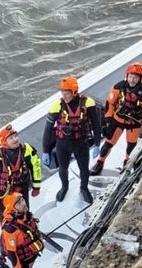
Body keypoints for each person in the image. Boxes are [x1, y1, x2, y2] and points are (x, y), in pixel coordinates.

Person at [42, 76, 102, 204]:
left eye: (66, 92)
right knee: (63, 168)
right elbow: (47, 130)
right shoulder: (56, 106)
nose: (63, 95)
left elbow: (96, 124)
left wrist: (97, 143)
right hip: (63, 144)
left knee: (84, 169)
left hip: (81, 143)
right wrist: (46, 150)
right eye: (62, 92)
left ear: (74, 92)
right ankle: (65, 187)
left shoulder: (88, 103)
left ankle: (84, 188)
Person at [90, 63, 142, 175]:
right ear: (127, 76)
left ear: (141, 78)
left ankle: (127, 163)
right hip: (117, 120)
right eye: (130, 76)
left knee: (131, 146)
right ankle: (100, 162)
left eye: (135, 77)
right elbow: (109, 103)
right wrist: (108, 120)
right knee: (108, 144)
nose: (132, 80)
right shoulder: (119, 87)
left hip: (134, 122)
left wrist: (141, 100)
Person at [0, 192, 44, 268]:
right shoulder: (10, 228)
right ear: (12, 207)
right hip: (21, 258)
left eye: (22, 199)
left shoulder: (25, 215)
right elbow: (11, 252)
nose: (23, 203)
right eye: (18, 202)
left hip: (30, 252)